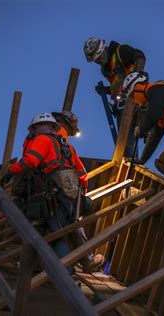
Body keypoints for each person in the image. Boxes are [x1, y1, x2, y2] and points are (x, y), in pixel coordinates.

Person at [1, 112, 101, 273]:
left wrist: (10, 172)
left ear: (40, 126)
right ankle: (71, 265)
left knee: (55, 233)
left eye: (35, 128)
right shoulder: (66, 145)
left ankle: (65, 273)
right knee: (64, 228)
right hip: (70, 194)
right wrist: (78, 195)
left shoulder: (42, 139)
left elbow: (31, 161)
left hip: (52, 193)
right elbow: (82, 173)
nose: (33, 131)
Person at [51, 110, 105, 273]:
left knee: (53, 230)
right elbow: (82, 174)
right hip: (61, 195)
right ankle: (85, 261)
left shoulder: (38, 139)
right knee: (73, 225)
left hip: (42, 194)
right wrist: (81, 195)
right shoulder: (63, 143)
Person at [84, 38, 145, 157]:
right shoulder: (105, 69)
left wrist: (135, 79)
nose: (99, 62)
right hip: (122, 103)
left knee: (133, 136)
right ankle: (129, 163)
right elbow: (118, 86)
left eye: (100, 58)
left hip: (137, 97)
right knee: (124, 141)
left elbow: (140, 57)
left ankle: (131, 164)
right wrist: (106, 90)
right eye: (97, 61)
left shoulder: (121, 51)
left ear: (104, 50)